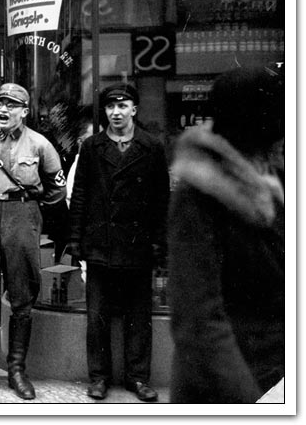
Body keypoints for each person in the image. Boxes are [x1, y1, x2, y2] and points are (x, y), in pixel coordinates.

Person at [168, 67, 284, 403]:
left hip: (274, 374)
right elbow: (198, 320)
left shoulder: (275, 176)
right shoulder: (198, 194)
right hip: (225, 386)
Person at [0, 83, 67, 400]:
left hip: (23, 217)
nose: (3, 110)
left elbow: (57, 189)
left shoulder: (40, 145)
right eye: (0, 104)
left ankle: (17, 371)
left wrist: (27, 206)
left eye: (11, 105)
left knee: (21, 295)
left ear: (25, 111)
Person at [68, 82, 169, 402]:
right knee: (97, 316)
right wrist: (76, 239)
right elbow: (80, 195)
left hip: (137, 244)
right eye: (111, 107)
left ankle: (138, 378)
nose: (116, 112)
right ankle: (99, 377)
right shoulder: (92, 147)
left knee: (139, 316)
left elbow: (161, 200)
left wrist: (159, 243)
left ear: (134, 110)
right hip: (101, 243)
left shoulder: (151, 147)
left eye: (123, 106)